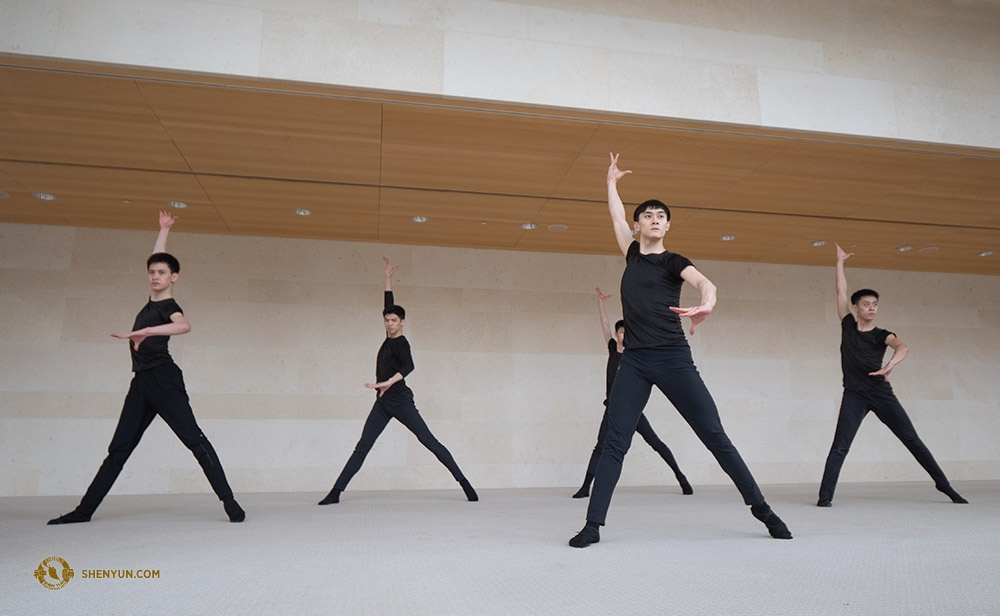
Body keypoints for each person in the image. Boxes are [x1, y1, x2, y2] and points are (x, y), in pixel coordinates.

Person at [568, 153, 792, 547]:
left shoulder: (675, 262)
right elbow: (616, 217)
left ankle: (763, 510)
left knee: (714, 434)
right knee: (615, 442)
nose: (654, 219)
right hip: (634, 362)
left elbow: (706, 283)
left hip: (673, 358)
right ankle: (592, 525)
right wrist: (611, 183)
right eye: (647, 215)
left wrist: (707, 302)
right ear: (638, 226)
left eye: (660, 215)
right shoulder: (632, 253)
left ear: (668, 224)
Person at [48, 211, 245, 525]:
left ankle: (230, 503)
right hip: (141, 384)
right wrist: (163, 230)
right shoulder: (151, 302)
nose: (155, 276)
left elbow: (185, 327)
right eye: (152, 272)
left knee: (195, 441)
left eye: (162, 272)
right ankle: (83, 511)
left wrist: (148, 331)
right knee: (119, 449)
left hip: (164, 381)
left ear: (173, 278)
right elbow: (156, 255)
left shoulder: (169, 308)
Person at [816, 244, 968, 507]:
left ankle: (946, 487)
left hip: (880, 393)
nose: (872, 308)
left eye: (875, 304)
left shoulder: (881, 334)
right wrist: (840, 262)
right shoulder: (848, 326)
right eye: (866, 304)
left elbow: (902, 346)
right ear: (856, 307)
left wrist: (891, 365)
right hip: (854, 394)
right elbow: (840, 291)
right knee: (840, 445)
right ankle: (824, 498)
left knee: (911, 439)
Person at [319, 257, 478, 505]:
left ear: (402, 322)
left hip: (400, 400)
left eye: (394, 320)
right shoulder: (388, 336)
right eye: (387, 320)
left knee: (429, 441)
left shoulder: (402, 343)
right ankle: (336, 492)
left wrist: (389, 381)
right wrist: (388, 279)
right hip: (382, 402)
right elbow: (388, 304)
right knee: (363, 446)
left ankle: (465, 485)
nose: (390, 324)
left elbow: (409, 365)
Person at [572, 287, 692, 498]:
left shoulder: (635, 356)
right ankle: (585, 487)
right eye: (621, 332)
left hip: (633, 410)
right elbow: (605, 325)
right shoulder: (612, 348)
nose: (624, 335)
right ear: (617, 334)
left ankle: (681, 477)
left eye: (627, 332)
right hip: (612, 409)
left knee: (655, 443)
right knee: (600, 447)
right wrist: (601, 304)